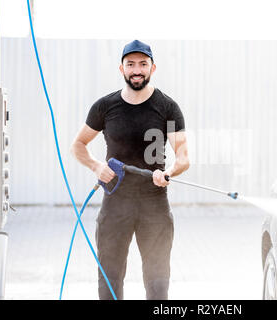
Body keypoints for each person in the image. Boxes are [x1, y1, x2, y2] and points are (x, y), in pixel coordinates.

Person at [70, 40, 189, 300]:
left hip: (154, 207)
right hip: (114, 206)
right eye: (131, 64)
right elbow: (78, 145)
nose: (137, 70)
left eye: (143, 64)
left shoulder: (168, 108)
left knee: (158, 285)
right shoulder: (105, 106)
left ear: (153, 68)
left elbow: (183, 157)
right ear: (121, 68)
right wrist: (96, 166)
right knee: (109, 283)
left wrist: (168, 173)